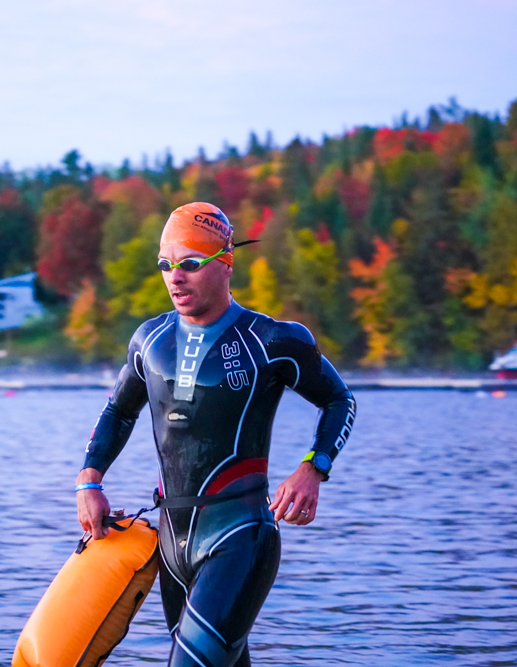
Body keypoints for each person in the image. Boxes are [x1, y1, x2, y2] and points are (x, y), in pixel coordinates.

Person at [75, 202, 356, 667]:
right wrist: (89, 482)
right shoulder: (150, 341)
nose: (174, 277)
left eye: (189, 264)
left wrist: (313, 468)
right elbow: (118, 412)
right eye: (165, 265)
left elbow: (339, 399)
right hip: (171, 545)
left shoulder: (271, 341)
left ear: (225, 264)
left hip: (239, 538)